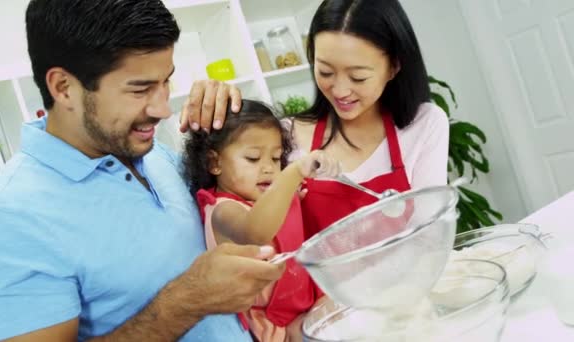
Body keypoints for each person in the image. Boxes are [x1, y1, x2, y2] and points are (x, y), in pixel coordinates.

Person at [0, 1, 284, 341]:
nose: (163, 108)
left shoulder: (149, 151)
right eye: (140, 89)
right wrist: (186, 303)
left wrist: (227, 130)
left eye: (166, 82)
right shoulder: (8, 217)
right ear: (63, 87)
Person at [183, 0, 450, 304]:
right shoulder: (285, 138)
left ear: (394, 66)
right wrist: (209, 106)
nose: (340, 90)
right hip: (320, 320)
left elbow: (430, 239)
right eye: (325, 71)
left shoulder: (424, 124)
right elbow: (239, 217)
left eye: (358, 77)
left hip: (404, 302)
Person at [182, 100, 339, 341]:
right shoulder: (222, 210)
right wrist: (292, 174)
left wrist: (290, 195)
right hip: (275, 324)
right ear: (215, 163)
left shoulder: (260, 198)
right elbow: (255, 232)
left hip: (304, 298)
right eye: (253, 159)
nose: (268, 168)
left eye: (276, 159)